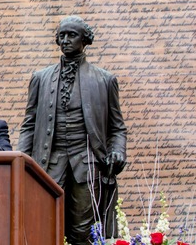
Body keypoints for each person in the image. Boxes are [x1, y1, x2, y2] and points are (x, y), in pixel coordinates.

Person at [17, 16, 127, 245]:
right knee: (44, 224)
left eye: (71, 35)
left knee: (81, 231)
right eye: (61, 35)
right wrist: (22, 162)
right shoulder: (40, 78)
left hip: (86, 165)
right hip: (48, 163)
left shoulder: (105, 80)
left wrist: (119, 151)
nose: (65, 40)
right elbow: (29, 124)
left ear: (85, 40)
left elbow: (117, 128)